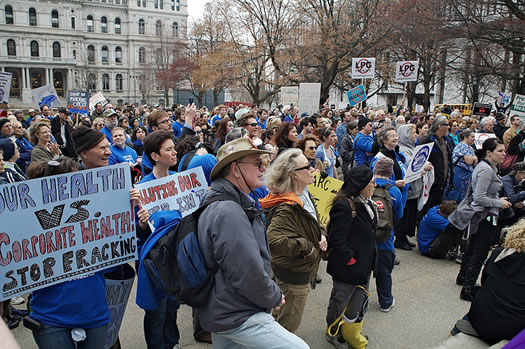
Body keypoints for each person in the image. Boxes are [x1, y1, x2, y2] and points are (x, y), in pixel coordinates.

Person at [27, 131, 148, 349]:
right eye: (101, 147)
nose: (108, 152)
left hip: (95, 311)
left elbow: (120, 243)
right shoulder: (33, 227)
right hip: (51, 316)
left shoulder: (111, 191)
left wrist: (134, 218)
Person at [196, 137, 309, 349]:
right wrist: (273, 296)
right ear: (235, 170)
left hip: (224, 307)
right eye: (257, 164)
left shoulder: (229, 202)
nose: (263, 168)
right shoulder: (229, 210)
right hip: (237, 311)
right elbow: (246, 271)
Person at [259, 149, 325, 333]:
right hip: (294, 276)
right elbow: (272, 240)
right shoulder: (287, 206)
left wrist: (321, 234)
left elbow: (312, 220)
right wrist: (307, 248)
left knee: (278, 319)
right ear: (293, 175)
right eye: (307, 166)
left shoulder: (303, 193)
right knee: (286, 329)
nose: (313, 169)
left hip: (297, 270)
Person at [449, 138, 512, 301]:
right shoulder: (486, 170)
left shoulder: (488, 167)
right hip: (483, 216)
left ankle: (463, 278)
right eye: (500, 151)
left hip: (481, 215)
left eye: (504, 150)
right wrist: (499, 203)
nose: (504, 154)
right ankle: (468, 289)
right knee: (480, 251)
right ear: (489, 152)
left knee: (472, 248)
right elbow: (479, 197)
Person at [136, 130, 182, 349]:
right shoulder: (143, 188)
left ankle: (171, 343)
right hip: (156, 258)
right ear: (155, 156)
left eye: (174, 148)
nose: (175, 152)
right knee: (157, 311)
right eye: (169, 149)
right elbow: (139, 232)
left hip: (178, 255)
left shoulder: (181, 181)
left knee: (172, 306)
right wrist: (143, 223)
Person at [325, 166, 377, 349]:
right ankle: (333, 332)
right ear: (361, 185)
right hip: (348, 267)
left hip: (363, 264)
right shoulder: (344, 205)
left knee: (357, 301)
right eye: (371, 182)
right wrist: (350, 260)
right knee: (341, 300)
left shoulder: (365, 202)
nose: (375, 185)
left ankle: (350, 332)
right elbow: (338, 240)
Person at [451, 219, 525, 344]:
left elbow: (485, 281)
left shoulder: (498, 254)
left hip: (480, 319)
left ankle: (461, 327)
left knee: (486, 298)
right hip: (511, 330)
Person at [373, 157, 403, 312]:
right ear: (390, 172)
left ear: (375, 169)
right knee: (384, 273)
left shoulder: (367, 186)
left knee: (362, 274)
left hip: (366, 238)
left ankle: (357, 304)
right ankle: (386, 302)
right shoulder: (394, 190)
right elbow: (398, 215)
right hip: (385, 239)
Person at [420, 115, 454, 213]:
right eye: (447, 125)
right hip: (431, 182)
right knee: (428, 207)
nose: (448, 127)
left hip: (443, 180)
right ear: (439, 126)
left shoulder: (447, 141)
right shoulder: (428, 140)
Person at [446, 129, 477, 203]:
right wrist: (473, 158)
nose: (474, 139)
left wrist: (473, 158)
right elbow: (469, 161)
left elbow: (475, 162)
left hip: (467, 175)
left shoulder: (471, 148)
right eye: (472, 137)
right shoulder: (462, 146)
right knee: (457, 195)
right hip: (459, 174)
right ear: (465, 137)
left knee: (464, 196)